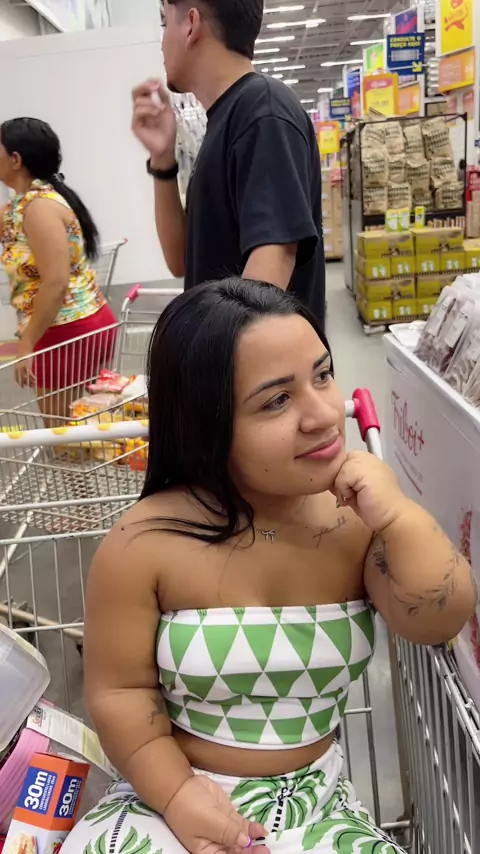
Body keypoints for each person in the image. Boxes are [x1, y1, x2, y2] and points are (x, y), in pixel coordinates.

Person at [63, 278, 475, 854]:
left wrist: (400, 517)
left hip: (317, 806)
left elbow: (438, 619)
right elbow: (120, 692)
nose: (322, 414)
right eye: (277, 400)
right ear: (206, 422)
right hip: (171, 795)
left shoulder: (353, 522)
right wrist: (178, 794)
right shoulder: (143, 543)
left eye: (323, 375)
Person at [131, 0, 326, 327]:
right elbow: (182, 261)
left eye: (165, 24)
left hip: (252, 359)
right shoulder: (229, 118)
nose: (162, 42)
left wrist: (213, 355)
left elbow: (271, 269)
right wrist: (162, 159)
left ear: (191, 24)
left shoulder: (262, 111)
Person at [0, 118, 117, 422]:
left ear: (15, 159)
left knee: (66, 435)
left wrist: (26, 344)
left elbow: (55, 282)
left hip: (65, 328)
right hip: (68, 324)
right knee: (85, 426)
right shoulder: (21, 205)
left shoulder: (38, 208)